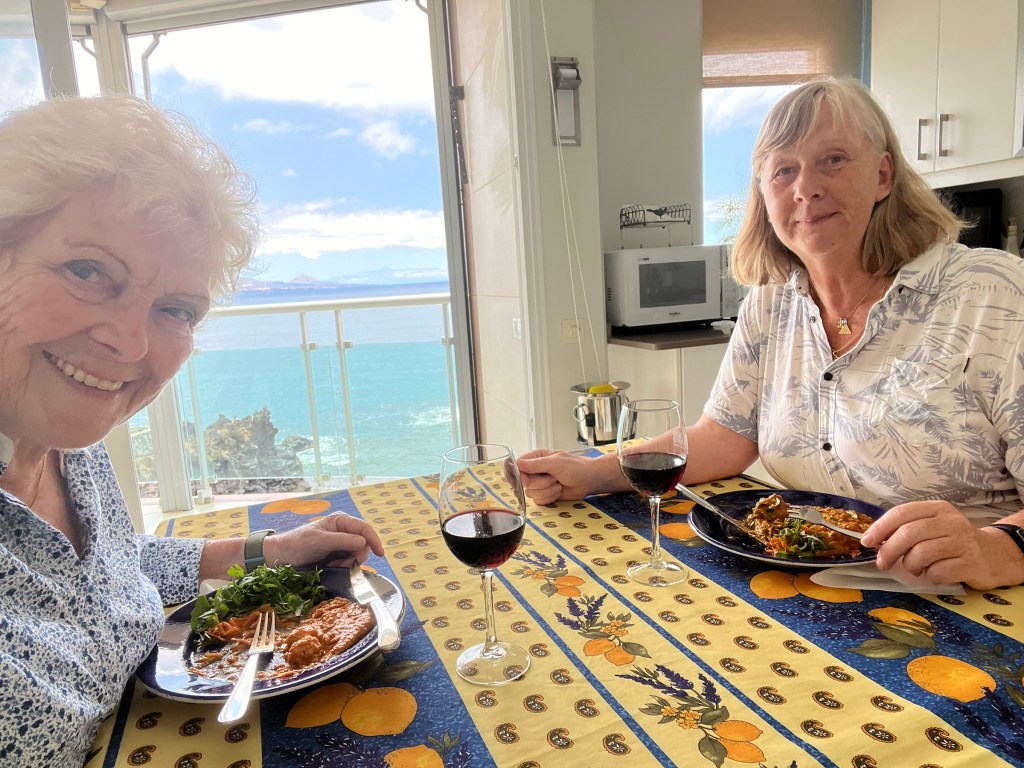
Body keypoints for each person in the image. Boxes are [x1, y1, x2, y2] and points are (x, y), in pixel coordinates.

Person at [519, 76, 1024, 590]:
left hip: (965, 597)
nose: (806, 188)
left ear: (882, 175)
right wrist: (593, 472)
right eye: (783, 170)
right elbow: (723, 437)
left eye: (833, 159)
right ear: (764, 193)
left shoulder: (996, 295)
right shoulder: (771, 299)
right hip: (805, 583)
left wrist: (997, 550)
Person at [0, 95, 385, 766]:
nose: (129, 344)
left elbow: (111, 567)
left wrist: (271, 550)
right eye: (87, 270)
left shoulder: (66, 447)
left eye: (175, 308)